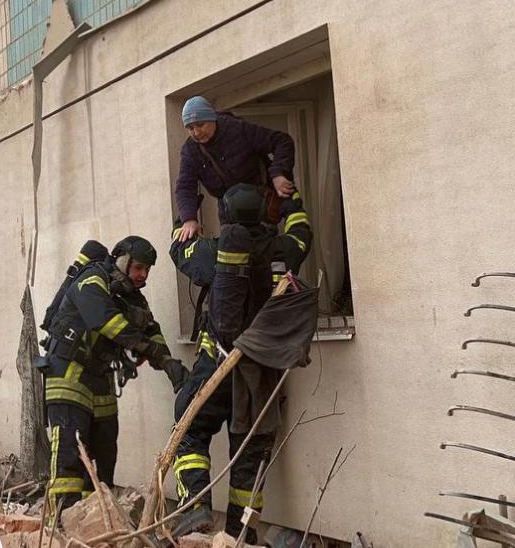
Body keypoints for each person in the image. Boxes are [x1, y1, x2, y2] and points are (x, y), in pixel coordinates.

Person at [169, 185, 313, 543]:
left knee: (189, 432)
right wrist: (292, 201)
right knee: (250, 455)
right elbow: (302, 234)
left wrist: (185, 216)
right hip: (263, 374)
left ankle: (195, 507)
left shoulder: (215, 251)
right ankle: (241, 535)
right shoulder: (283, 249)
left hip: (218, 365)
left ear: (227, 216)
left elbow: (180, 249)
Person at [38, 237, 189, 524]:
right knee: (71, 450)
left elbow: (150, 328)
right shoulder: (92, 280)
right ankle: (61, 522)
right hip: (69, 372)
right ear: (121, 260)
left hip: (101, 378)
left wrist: (167, 361)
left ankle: (93, 521)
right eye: (139, 267)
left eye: (148, 270)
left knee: (104, 455)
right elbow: (105, 320)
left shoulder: (132, 296)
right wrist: (148, 349)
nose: (143, 275)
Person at [174, 96, 298, 242]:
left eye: (200, 125)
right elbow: (185, 186)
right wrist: (189, 219)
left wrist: (278, 173)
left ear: (212, 118)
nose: (196, 132)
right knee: (232, 250)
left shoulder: (238, 129)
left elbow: (282, 141)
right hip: (228, 210)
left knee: (266, 246)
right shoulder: (190, 150)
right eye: (190, 128)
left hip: (261, 200)